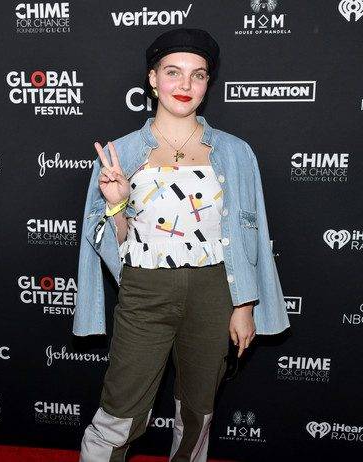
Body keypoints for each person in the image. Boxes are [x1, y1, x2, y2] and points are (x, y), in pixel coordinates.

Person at [75, 28, 290, 462]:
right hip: (145, 292)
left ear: (208, 83)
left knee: (197, 413)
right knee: (119, 414)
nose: (185, 85)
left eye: (198, 74)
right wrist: (116, 205)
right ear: (153, 80)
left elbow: (251, 235)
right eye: (173, 72)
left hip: (214, 292)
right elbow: (113, 246)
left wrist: (245, 305)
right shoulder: (120, 152)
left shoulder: (235, 153)